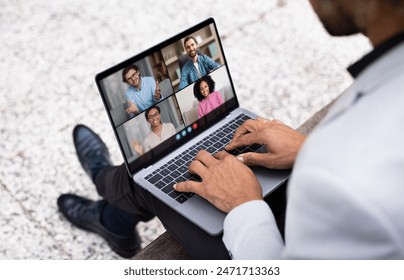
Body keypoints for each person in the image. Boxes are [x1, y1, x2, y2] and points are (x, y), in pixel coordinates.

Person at [57, 0, 404, 259]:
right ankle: (112, 215)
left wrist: (243, 206)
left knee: (143, 178)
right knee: (161, 166)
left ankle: (107, 195)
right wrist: (309, 149)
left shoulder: (357, 191)